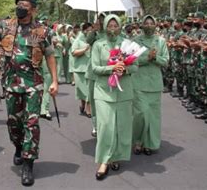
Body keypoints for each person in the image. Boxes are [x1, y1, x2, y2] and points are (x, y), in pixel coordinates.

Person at [0, 0, 58, 186]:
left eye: (25, 5)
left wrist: (54, 81)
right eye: (19, 4)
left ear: (33, 9)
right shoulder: (4, 26)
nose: (20, 7)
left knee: (32, 123)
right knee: (14, 123)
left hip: (33, 84)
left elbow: (50, 56)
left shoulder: (43, 31)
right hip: (11, 84)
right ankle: (18, 146)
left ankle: (28, 163)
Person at [91, 14, 137, 180]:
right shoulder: (98, 44)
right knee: (105, 126)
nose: (112, 28)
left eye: (115, 25)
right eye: (109, 25)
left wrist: (124, 69)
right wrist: (111, 68)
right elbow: (95, 67)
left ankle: (116, 156)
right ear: (104, 27)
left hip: (124, 91)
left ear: (120, 27)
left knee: (121, 126)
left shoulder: (128, 44)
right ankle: (103, 161)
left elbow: (136, 66)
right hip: (103, 91)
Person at [132, 15, 169, 155]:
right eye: (146, 23)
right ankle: (138, 141)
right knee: (140, 114)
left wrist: (156, 58)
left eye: (151, 23)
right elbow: (131, 60)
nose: (148, 25)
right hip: (138, 82)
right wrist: (147, 59)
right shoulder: (135, 41)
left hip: (154, 84)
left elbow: (165, 61)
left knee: (153, 116)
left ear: (155, 25)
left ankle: (150, 143)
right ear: (141, 25)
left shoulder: (161, 42)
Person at [71, 23, 92, 117]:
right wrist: (85, 49)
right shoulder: (78, 40)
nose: (90, 32)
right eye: (88, 30)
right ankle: (83, 105)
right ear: (84, 30)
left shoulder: (92, 40)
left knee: (88, 90)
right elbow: (74, 52)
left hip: (90, 69)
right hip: (80, 70)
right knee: (82, 90)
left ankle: (88, 109)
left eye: (91, 30)